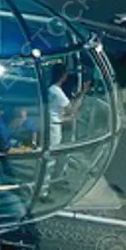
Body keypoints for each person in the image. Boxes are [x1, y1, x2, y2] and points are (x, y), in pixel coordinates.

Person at [40, 64, 91, 200]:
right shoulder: (57, 91)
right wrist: (82, 94)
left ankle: (51, 182)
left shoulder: (50, 89)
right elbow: (71, 109)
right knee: (50, 159)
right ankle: (42, 192)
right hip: (53, 127)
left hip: (53, 124)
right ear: (63, 75)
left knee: (52, 157)